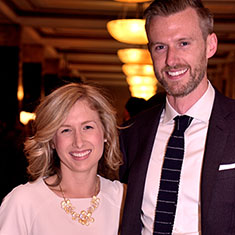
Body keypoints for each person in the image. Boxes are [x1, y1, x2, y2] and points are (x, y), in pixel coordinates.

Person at [119, 0, 235, 234]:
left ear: (210, 45)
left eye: (183, 43)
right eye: (160, 47)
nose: (171, 60)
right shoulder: (133, 132)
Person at [0, 82, 125, 235]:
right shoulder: (24, 201)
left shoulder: (123, 198)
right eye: (66, 130)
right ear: (52, 140)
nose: (78, 142)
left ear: (105, 132)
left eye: (87, 127)